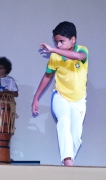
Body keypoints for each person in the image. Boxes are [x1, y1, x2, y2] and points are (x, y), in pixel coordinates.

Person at [32, 21, 88, 166]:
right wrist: (36, 97)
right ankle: (68, 162)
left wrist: (54, 50)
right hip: (60, 96)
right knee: (63, 120)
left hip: (79, 101)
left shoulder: (82, 51)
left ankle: (67, 164)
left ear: (73, 40)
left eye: (62, 41)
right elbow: (47, 76)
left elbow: (79, 56)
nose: (58, 46)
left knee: (76, 138)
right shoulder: (55, 56)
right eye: (56, 43)